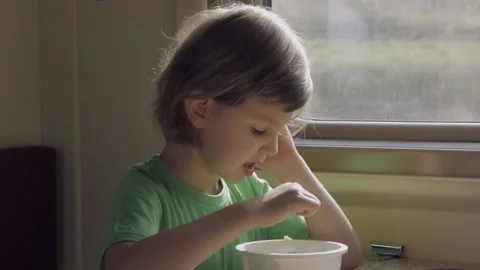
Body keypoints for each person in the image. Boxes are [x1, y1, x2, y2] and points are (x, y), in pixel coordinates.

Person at [100, 3, 363, 270]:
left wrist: (289, 164)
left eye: (280, 131)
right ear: (200, 110)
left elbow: (346, 256)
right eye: (260, 130)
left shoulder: (250, 191)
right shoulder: (147, 191)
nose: (273, 147)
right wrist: (247, 214)